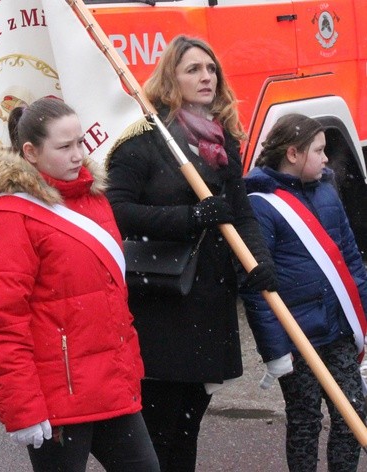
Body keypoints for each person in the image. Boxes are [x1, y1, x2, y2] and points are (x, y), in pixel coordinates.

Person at [105, 35, 277, 471]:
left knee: (189, 426)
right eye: (193, 70)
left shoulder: (221, 140)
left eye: (210, 69)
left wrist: (259, 264)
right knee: (160, 426)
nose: (206, 77)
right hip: (161, 301)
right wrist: (189, 216)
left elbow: (240, 213)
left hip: (209, 301)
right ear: (170, 79)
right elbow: (116, 211)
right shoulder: (142, 139)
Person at [0, 97, 160, 471]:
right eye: (64, 146)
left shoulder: (93, 198)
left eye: (81, 143)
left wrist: (129, 370)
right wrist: (23, 407)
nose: (78, 155)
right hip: (58, 397)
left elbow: (112, 300)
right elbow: (1, 322)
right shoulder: (8, 215)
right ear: (30, 152)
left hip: (111, 386)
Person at [241, 113, 367, 471]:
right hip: (297, 338)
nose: (327, 158)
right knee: (305, 420)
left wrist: (362, 313)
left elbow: (349, 256)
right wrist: (275, 349)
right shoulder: (259, 203)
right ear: (293, 154)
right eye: (319, 150)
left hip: (338, 329)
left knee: (353, 411)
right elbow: (256, 289)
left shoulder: (327, 189)